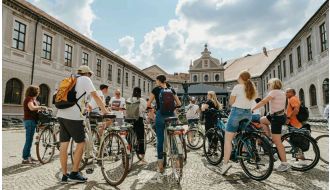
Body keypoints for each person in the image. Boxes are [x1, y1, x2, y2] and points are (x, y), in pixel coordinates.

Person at [57, 65, 110, 183]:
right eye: (90, 75)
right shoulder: (85, 79)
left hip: (61, 114)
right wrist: (105, 111)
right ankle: (75, 173)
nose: (90, 77)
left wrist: (86, 107)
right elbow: (95, 96)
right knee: (81, 143)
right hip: (74, 117)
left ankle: (64, 176)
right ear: (87, 74)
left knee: (64, 145)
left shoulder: (71, 79)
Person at [221, 71, 256, 175]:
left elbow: (231, 102)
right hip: (248, 114)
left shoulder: (237, 87)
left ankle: (225, 165)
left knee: (227, 139)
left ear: (241, 77)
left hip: (237, 112)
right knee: (238, 134)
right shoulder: (252, 87)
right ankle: (243, 150)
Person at [252, 78, 290, 172]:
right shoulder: (283, 93)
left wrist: (252, 108)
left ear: (272, 85)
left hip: (276, 118)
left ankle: (285, 164)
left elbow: (263, 102)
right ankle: (269, 138)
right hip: (277, 115)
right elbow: (286, 106)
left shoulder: (273, 92)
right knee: (262, 120)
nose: (268, 86)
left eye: (269, 84)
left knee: (277, 142)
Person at [147, 75, 181, 176]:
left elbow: (148, 103)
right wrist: (172, 109)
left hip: (160, 115)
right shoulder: (171, 89)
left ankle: (160, 165)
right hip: (171, 115)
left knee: (160, 139)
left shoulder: (156, 89)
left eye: (156, 81)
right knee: (173, 135)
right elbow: (179, 103)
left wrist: (152, 107)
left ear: (158, 81)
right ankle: (177, 160)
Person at [22, 85, 47, 164]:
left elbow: (34, 109)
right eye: (38, 91)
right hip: (29, 121)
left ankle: (28, 156)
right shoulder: (29, 99)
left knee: (30, 140)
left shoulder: (32, 99)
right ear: (34, 92)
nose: (38, 92)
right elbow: (32, 108)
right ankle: (25, 158)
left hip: (31, 121)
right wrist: (42, 107)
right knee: (28, 140)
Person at [126, 87, 147, 164]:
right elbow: (144, 109)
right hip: (138, 120)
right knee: (141, 138)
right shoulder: (142, 100)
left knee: (128, 136)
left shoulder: (129, 99)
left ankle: (127, 151)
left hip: (128, 120)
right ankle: (142, 158)